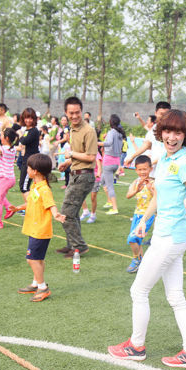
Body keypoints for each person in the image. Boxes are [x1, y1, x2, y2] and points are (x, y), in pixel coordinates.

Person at [108, 109, 186, 370]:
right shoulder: (164, 159)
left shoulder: (183, 163)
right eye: (168, 131)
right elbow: (159, 197)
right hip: (169, 236)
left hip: (169, 238)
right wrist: (143, 221)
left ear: (185, 135)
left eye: (178, 132)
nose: (172, 137)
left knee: (138, 291)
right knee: (176, 297)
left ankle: (136, 346)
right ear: (161, 133)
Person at [8, 153, 66, 302]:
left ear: (35, 171)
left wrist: (56, 214)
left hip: (40, 230)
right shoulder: (35, 186)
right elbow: (31, 202)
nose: (26, 169)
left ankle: (42, 287)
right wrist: (18, 208)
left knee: (33, 259)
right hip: (34, 229)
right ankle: (36, 283)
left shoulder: (44, 189)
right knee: (36, 259)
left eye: (28, 167)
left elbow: (51, 204)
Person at [57, 96, 98, 258]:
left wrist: (71, 154)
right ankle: (72, 245)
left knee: (66, 213)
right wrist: (68, 162)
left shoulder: (88, 131)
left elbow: (91, 157)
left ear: (82, 111)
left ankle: (79, 246)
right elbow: (79, 155)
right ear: (66, 113)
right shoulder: (72, 130)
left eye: (77, 112)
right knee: (72, 213)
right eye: (71, 113)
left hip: (84, 176)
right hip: (75, 174)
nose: (74, 116)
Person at [125, 155, 155, 273]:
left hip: (148, 216)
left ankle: (136, 259)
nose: (142, 172)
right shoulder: (136, 182)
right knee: (137, 240)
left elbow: (158, 198)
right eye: (140, 169)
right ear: (136, 169)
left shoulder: (153, 182)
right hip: (137, 215)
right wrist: (136, 190)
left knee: (132, 239)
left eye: (145, 169)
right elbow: (128, 196)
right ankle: (142, 263)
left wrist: (150, 188)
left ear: (150, 169)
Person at [124, 102, 171, 176]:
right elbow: (147, 144)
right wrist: (132, 157)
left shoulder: (172, 130)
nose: (164, 117)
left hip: (166, 170)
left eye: (166, 114)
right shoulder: (154, 128)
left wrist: (149, 164)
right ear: (156, 113)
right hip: (154, 170)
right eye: (161, 114)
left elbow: (168, 153)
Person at [99, 114, 125, 215]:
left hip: (108, 161)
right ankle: (109, 201)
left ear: (111, 122)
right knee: (102, 180)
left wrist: (97, 143)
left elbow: (109, 143)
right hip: (116, 162)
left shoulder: (112, 132)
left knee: (109, 186)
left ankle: (114, 208)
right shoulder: (119, 133)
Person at [18, 108, 41, 196]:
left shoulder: (33, 131)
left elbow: (24, 141)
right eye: (26, 118)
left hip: (31, 161)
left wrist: (19, 134)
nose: (28, 120)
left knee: (24, 187)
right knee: (24, 186)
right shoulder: (27, 130)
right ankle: (29, 204)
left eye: (31, 118)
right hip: (26, 159)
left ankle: (29, 204)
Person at [80, 151, 102, 224]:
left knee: (93, 197)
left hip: (95, 178)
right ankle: (85, 211)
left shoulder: (96, 154)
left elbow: (99, 165)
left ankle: (93, 215)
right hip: (86, 176)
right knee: (80, 194)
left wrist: (98, 173)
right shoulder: (85, 152)